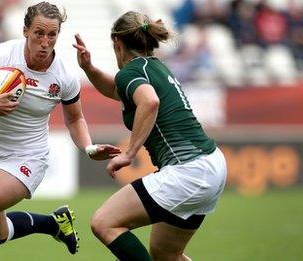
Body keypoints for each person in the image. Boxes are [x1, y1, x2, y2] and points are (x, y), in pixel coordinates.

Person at [0, 2, 121, 260]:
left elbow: (75, 119)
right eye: (38, 33)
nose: (45, 41)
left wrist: (89, 147)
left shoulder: (64, 76)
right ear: (25, 31)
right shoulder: (2, 55)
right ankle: (53, 223)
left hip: (26, 157)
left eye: (52, 35)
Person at [73, 11, 227, 261]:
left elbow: (150, 101)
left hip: (188, 171)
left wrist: (129, 154)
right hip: (210, 164)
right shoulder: (155, 67)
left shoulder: (131, 72)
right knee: (166, 254)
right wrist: (89, 68)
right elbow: (116, 89)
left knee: (104, 223)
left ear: (117, 43)